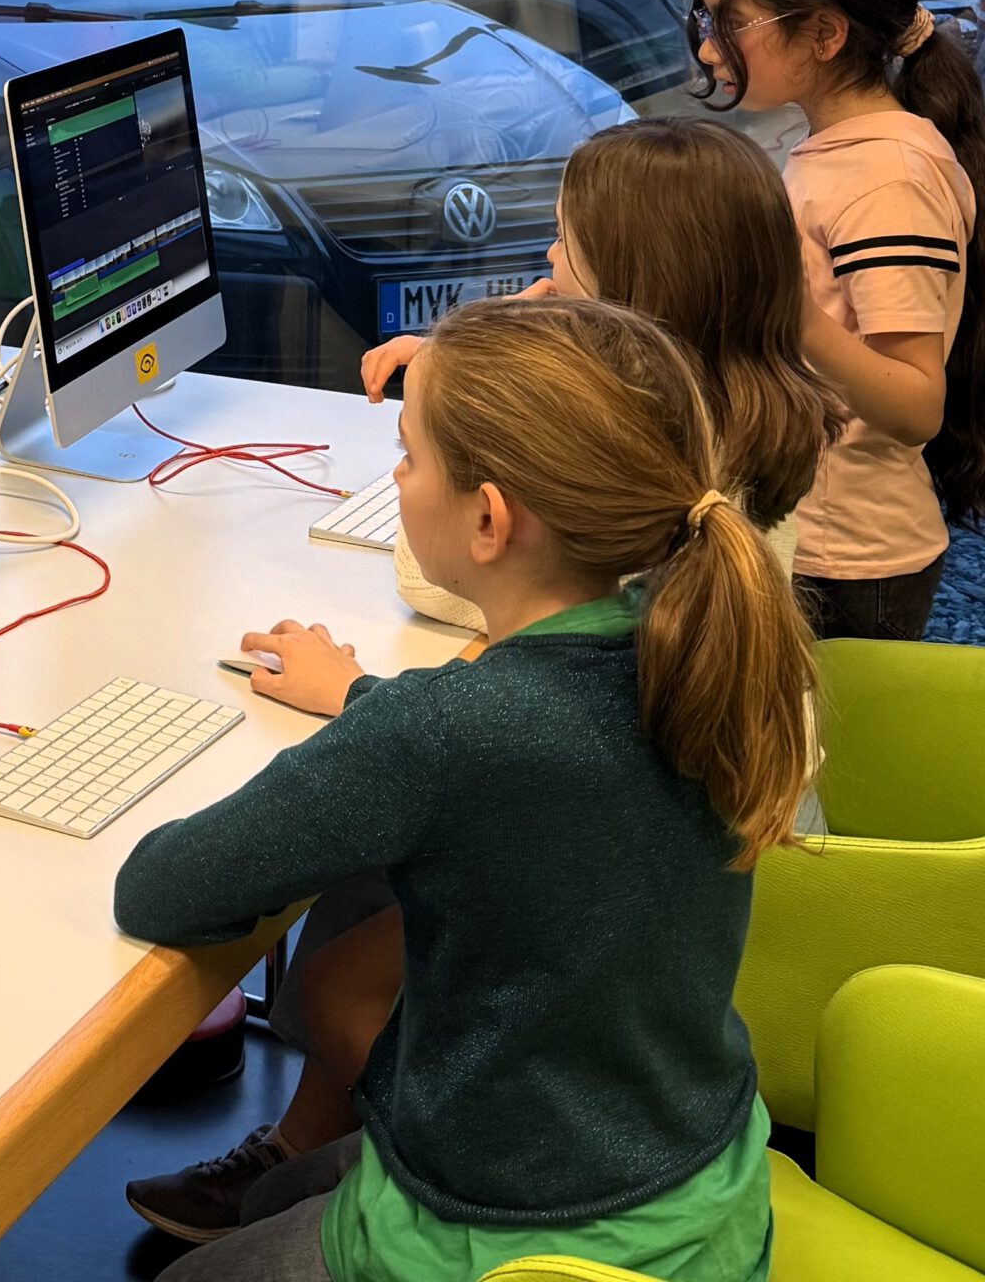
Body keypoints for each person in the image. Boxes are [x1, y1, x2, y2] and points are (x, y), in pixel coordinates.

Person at [117, 295, 812, 1282]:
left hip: (509, 1233)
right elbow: (522, 744)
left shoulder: (439, 733)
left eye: (407, 456)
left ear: (488, 519)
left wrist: (375, 729)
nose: (396, 478)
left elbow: (162, 889)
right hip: (699, 1189)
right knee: (276, 1200)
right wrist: (364, 701)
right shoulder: (697, 642)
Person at [359, 115, 844, 633]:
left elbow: (429, 584)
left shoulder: (633, 440)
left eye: (563, 237)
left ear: (624, 281)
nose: (550, 255)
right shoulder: (755, 405)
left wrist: (459, 377)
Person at [691, 0, 985, 640]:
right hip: (807, 531)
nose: (709, 49)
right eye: (706, 21)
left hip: (851, 560)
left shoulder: (889, 178)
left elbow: (915, 404)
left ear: (823, 33)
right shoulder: (835, 148)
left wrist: (789, 314)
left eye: (731, 24)